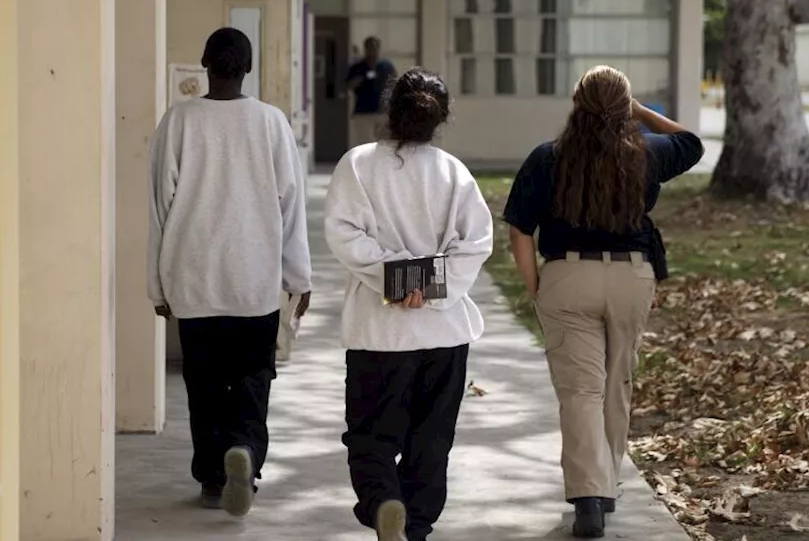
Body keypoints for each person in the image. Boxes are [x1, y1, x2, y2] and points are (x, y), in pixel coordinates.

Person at [503, 66, 703, 539]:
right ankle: (605, 485)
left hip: (568, 276)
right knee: (616, 384)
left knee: (581, 391)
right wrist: (636, 110)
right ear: (623, 109)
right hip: (632, 278)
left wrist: (536, 286)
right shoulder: (648, 153)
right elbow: (691, 142)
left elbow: (518, 230)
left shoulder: (546, 158)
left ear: (577, 104)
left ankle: (588, 497)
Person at [148, 27, 313, 517]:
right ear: (247, 67)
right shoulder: (271, 122)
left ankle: (212, 477)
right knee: (251, 379)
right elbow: (291, 205)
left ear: (205, 64)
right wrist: (298, 278)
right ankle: (244, 452)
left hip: (193, 280)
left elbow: (160, 207)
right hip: (253, 282)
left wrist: (156, 285)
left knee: (202, 385)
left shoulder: (178, 120)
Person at [325, 68, 494, 541]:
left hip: (378, 334)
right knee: (431, 442)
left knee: (370, 437)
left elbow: (344, 234)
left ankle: (384, 502)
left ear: (389, 109)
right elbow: (476, 243)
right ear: (440, 119)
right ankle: (414, 527)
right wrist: (431, 285)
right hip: (443, 335)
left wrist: (395, 278)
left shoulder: (357, 164)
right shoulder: (453, 172)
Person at [346, 36, 397, 148]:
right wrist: (361, 78)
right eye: (369, 48)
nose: (372, 51)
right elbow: (349, 85)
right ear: (365, 49)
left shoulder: (386, 66)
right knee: (365, 146)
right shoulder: (358, 67)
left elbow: (394, 84)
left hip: (383, 112)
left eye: (375, 48)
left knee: (385, 145)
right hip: (363, 112)